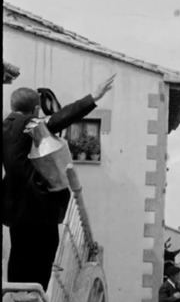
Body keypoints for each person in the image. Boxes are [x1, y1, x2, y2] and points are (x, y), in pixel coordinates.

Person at [2, 75, 115, 290]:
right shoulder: (30, 124)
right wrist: (94, 97)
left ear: (12, 105)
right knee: (44, 255)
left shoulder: (4, 127)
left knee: (18, 254)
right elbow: (61, 118)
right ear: (36, 109)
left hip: (13, 208)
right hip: (39, 205)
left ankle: (15, 299)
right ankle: (38, 300)